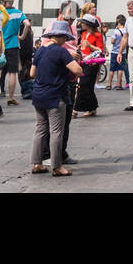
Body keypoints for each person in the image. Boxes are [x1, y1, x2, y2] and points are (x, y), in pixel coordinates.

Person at [30, 19, 83, 176]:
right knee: (56, 132)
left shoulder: (40, 50)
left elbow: (32, 73)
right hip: (55, 96)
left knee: (40, 130)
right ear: (61, 37)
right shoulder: (61, 51)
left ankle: (37, 164)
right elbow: (78, 70)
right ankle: (57, 166)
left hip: (38, 95)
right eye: (66, 38)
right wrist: (73, 60)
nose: (66, 41)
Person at [74, 14, 105, 117]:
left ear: (88, 24)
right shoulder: (83, 34)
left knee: (83, 84)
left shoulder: (97, 35)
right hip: (83, 61)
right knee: (88, 86)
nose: (81, 24)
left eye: (83, 23)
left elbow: (100, 50)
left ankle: (75, 108)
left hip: (93, 63)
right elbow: (83, 47)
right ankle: (92, 107)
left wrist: (90, 45)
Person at [0, 0, 27, 105]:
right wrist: (22, 37)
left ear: (4, 2)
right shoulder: (18, 13)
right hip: (13, 45)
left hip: (0, 46)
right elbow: (28, 24)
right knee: (12, 72)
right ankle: (10, 97)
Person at [106, 14, 128, 90]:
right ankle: (119, 84)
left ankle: (109, 84)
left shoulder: (116, 31)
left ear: (118, 22)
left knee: (112, 69)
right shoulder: (125, 31)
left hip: (114, 52)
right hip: (123, 52)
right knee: (120, 69)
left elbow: (112, 41)